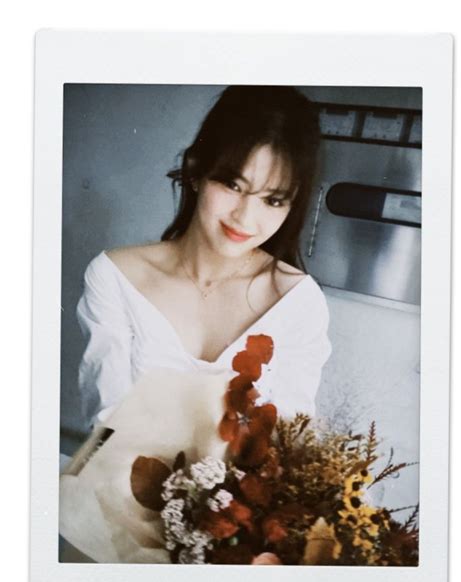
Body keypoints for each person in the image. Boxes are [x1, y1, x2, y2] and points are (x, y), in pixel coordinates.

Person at [76, 85, 332, 430]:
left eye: (272, 200)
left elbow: (290, 440)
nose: (244, 217)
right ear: (197, 171)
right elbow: (106, 425)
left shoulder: (297, 301)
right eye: (233, 185)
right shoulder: (115, 276)